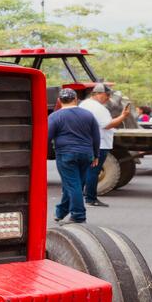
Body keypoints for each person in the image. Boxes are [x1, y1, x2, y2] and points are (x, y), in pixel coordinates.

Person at [47, 89, 100, 224]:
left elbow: (46, 137)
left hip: (66, 154)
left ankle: (78, 215)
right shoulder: (88, 115)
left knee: (72, 185)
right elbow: (96, 136)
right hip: (86, 154)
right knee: (74, 184)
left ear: (59, 100)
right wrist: (96, 155)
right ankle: (61, 211)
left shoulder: (55, 116)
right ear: (76, 99)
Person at [80, 83, 130, 208]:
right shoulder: (97, 108)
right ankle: (90, 198)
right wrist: (123, 116)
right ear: (97, 94)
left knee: (85, 171)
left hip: (89, 141)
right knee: (93, 171)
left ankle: (79, 195)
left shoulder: (84, 104)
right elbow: (107, 124)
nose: (108, 97)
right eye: (107, 95)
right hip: (99, 143)